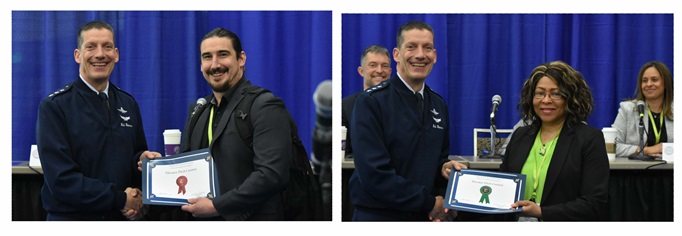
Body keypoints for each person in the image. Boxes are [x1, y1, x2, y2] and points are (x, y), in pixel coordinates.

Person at [143, 27, 292, 220]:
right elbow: (186, 172)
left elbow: (272, 175)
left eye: (223, 55)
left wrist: (217, 206)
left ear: (241, 59)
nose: (215, 65)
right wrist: (156, 169)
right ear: (200, 64)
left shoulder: (265, 105)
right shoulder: (198, 110)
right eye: (207, 57)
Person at [36, 20, 161, 221]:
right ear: (78, 55)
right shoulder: (55, 106)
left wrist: (141, 164)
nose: (100, 54)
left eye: (107, 47)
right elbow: (61, 180)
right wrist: (121, 199)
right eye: (91, 47)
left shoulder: (128, 103)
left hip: (120, 219)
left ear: (116, 54)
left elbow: (134, 154)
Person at [349, 21, 467, 221]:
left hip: (423, 218)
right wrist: (430, 203)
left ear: (435, 56)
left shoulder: (438, 104)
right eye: (411, 47)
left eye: (427, 48)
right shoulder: (370, 102)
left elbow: (437, 157)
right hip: (379, 217)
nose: (420, 55)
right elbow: (374, 174)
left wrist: (443, 168)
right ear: (396, 54)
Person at [498, 61, 609, 221]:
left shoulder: (589, 139)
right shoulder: (520, 135)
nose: (546, 100)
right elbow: (502, 187)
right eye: (540, 93)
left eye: (556, 94)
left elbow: (594, 203)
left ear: (571, 98)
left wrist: (542, 212)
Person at [612, 61, 674, 157]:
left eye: (654, 80)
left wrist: (668, 149)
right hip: (635, 170)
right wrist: (645, 150)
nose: (649, 84)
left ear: (666, 83)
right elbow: (612, 146)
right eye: (644, 80)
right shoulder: (628, 109)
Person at [342, 44, 392, 158]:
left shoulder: (401, 104)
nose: (379, 70)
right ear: (361, 71)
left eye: (384, 66)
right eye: (373, 65)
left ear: (390, 71)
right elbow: (343, 153)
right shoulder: (345, 107)